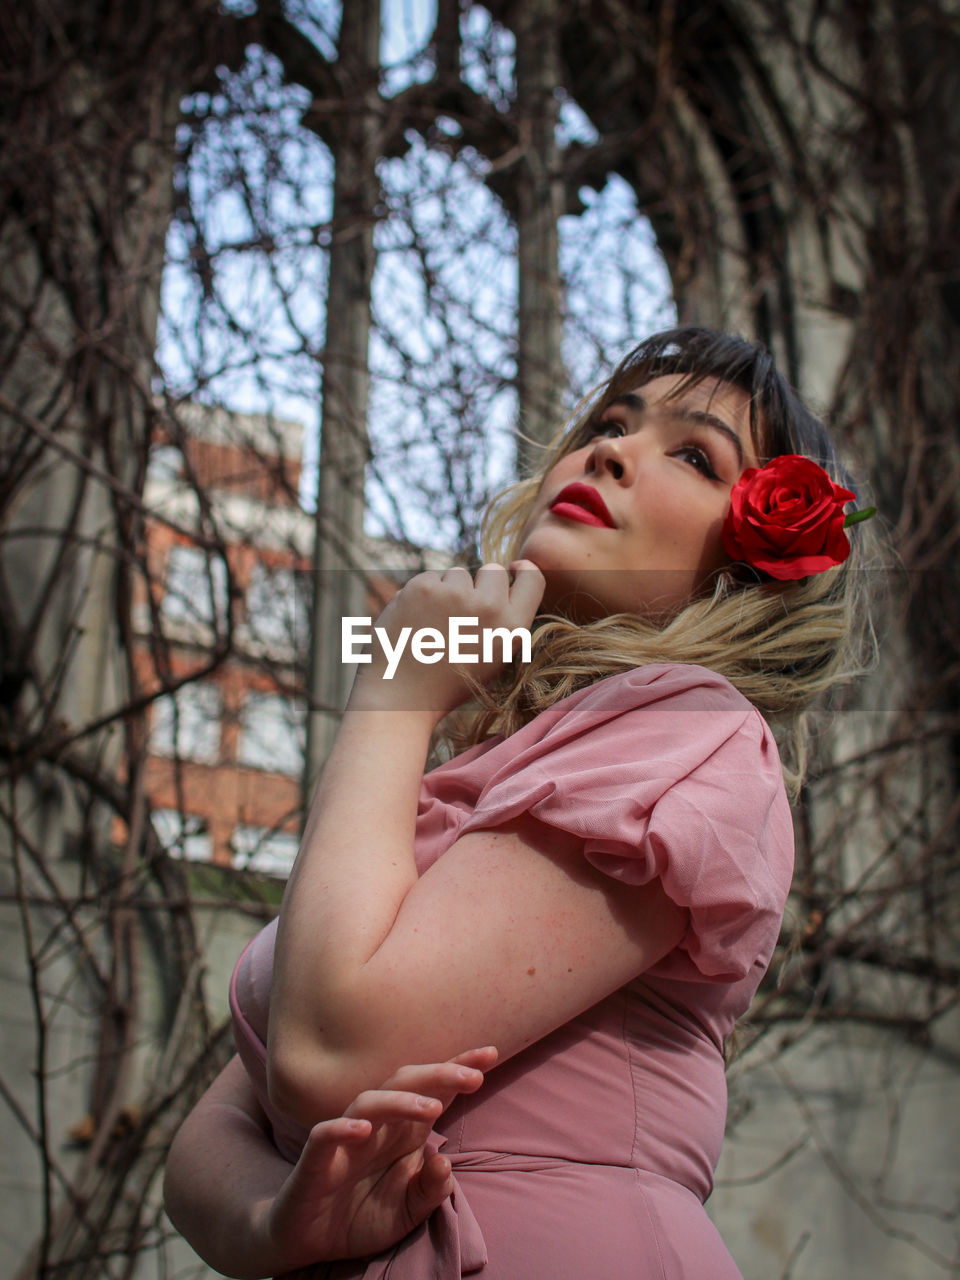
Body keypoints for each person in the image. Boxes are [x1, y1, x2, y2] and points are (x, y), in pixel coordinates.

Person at [164, 327, 872, 1278]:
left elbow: (327, 1051)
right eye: (611, 422)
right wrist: (273, 1224)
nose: (611, 449)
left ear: (744, 576)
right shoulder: (436, 789)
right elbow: (211, 1135)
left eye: (694, 454)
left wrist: (395, 687)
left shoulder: (692, 736)